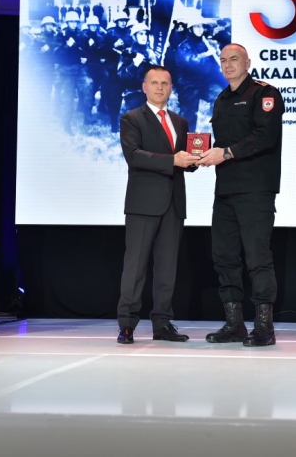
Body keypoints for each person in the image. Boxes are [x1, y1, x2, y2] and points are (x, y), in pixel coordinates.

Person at [199, 43, 285, 347]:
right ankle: (234, 324)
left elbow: (265, 136)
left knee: (257, 258)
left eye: (234, 59)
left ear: (247, 62)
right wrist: (201, 155)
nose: (227, 64)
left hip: (255, 190)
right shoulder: (221, 99)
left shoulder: (265, 93)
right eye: (223, 60)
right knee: (224, 257)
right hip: (225, 189)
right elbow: (221, 143)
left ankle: (264, 327)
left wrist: (225, 153)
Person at [116, 66, 198, 344]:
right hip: (143, 203)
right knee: (135, 267)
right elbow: (134, 155)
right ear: (144, 87)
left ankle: (162, 323)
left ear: (171, 88)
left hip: (174, 203)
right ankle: (127, 324)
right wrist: (173, 160)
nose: (160, 88)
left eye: (165, 83)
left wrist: (194, 160)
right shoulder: (131, 118)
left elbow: (183, 160)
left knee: (166, 268)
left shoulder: (180, 122)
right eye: (154, 83)